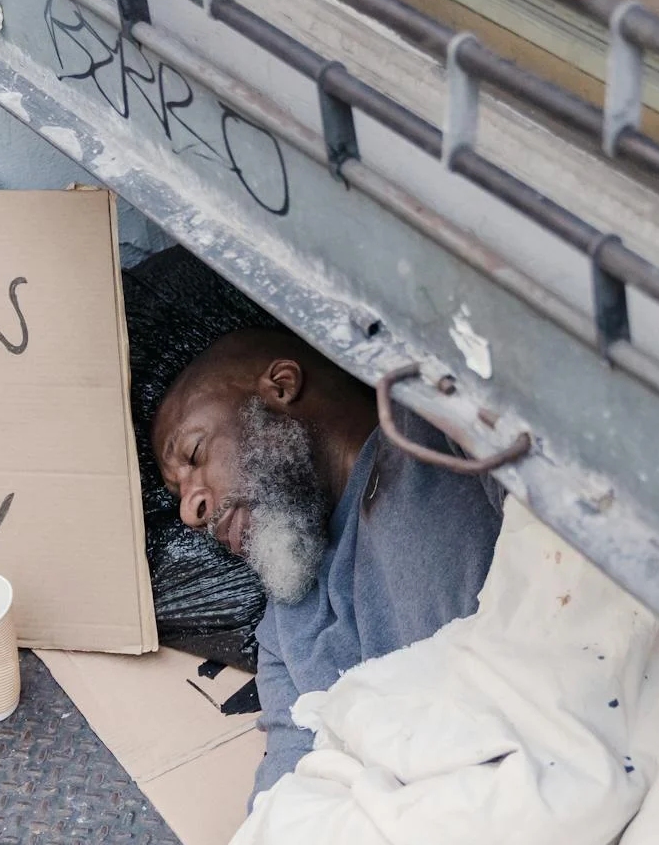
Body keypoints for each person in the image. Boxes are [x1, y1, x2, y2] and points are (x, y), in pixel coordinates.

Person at [153, 328, 505, 796]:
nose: (188, 512)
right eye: (178, 494)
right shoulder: (285, 627)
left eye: (195, 454)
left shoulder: (439, 431)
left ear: (281, 386)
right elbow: (288, 792)